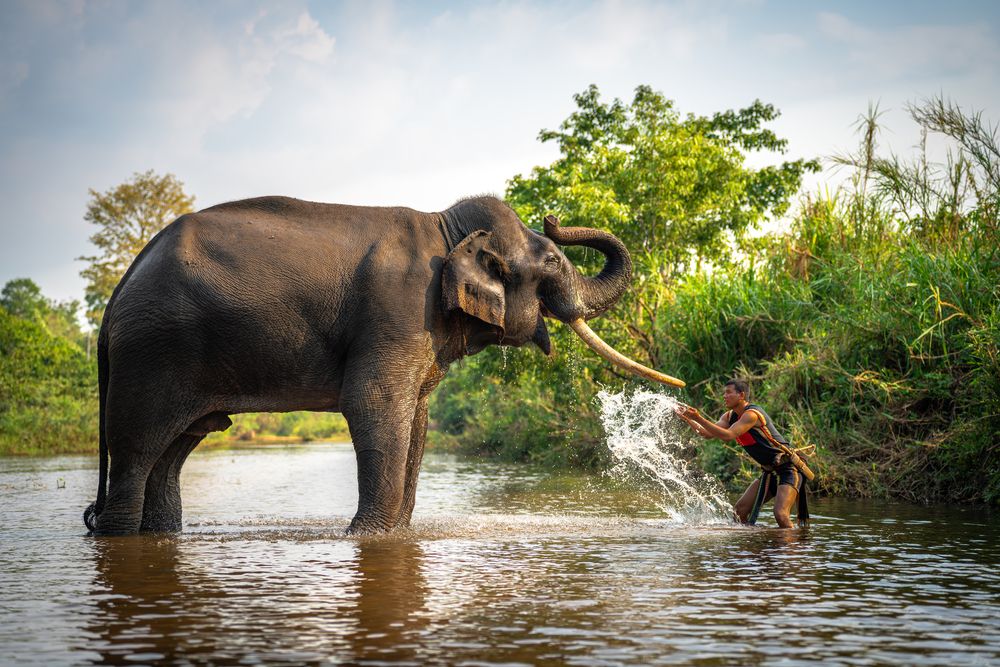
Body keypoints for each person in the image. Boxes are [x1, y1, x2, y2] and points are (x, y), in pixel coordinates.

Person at [675, 379, 808, 528]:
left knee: (781, 515)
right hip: (770, 472)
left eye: (728, 393)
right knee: (739, 512)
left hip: (788, 469)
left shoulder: (751, 415)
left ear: (741, 395)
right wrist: (686, 417)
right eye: (724, 393)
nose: (724, 396)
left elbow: (728, 435)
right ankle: (751, 544)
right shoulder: (729, 416)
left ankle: (792, 549)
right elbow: (706, 433)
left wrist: (698, 417)